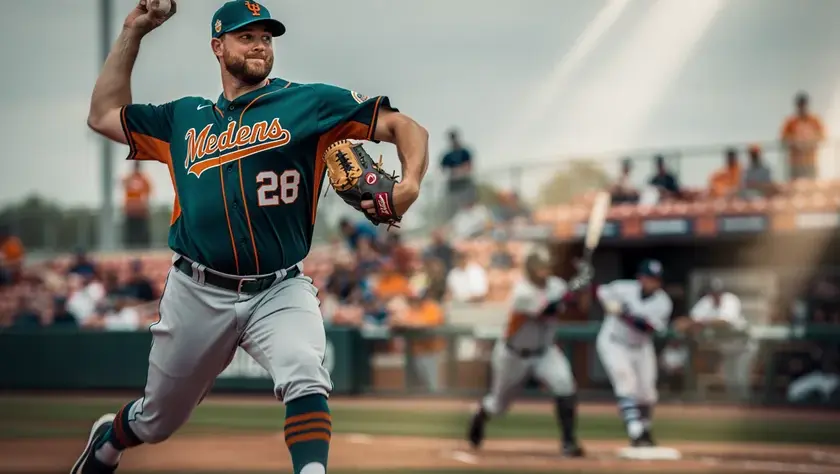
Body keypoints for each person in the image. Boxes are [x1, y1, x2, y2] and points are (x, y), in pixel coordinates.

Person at [74, 2, 428, 474]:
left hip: (279, 286)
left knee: (305, 371)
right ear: (218, 47)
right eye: (246, 36)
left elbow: (406, 126)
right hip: (198, 291)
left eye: (266, 36)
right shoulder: (183, 118)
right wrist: (133, 31)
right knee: (158, 420)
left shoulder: (310, 103)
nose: (260, 44)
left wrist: (408, 185)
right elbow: (103, 115)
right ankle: (109, 439)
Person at [466, 246, 592, 457]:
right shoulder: (522, 291)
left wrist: (585, 286)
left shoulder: (556, 285)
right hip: (513, 355)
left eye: (546, 267)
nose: (544, 271)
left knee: (565, 385)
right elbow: (547, 311)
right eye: (539, 267)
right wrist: (574, 288)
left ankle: (569, 442)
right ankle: (480, 414)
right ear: (530, 269)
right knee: (498, 405)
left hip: (545, 352)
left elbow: (579, 306)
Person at [595, 259, 672, 449]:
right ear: (640, 277)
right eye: (647, 277)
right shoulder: (622, 288)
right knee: (625, 382)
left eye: (655, 279)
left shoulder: (663, 303)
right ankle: (635, 431)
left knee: (647, 394)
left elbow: (645, 327)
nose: (651, 282)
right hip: (614, 342)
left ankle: (645, 430)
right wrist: (592, 284)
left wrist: (622, 312)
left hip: (641, 346)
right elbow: (599, 291)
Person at [674, 278, 756, 402]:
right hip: (727, 346)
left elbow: (723, 321)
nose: (716, 295)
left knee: (740, 379)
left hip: (743, 345)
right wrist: (687, 322)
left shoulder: (731, 299)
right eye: (713, 292)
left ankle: (747, 408)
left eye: (718, 292)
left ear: (723, 292)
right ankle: (735, 409)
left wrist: (699, 322)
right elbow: (692, 319)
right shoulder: (706, 301)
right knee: (730, 379)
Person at [780, 92, 825, 180]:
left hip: (810, 161)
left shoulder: (814, 120)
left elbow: (822, 136)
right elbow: (784, 139)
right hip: (795, 162)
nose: (802, 108)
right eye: (800, 105)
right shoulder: (790, 122)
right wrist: (795, 142)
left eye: (803, 105)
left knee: (811, 187)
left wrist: (810, 141)